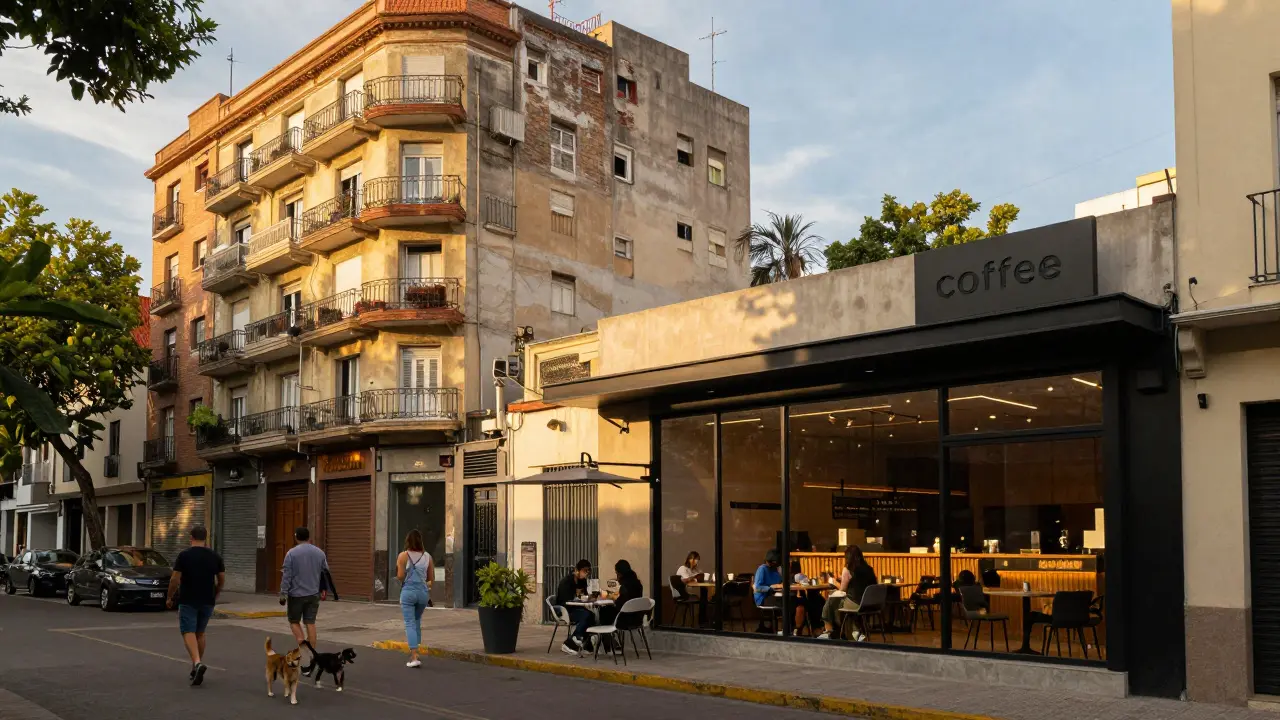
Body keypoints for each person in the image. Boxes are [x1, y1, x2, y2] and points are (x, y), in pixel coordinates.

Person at [166, 526, 225, 686]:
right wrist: (216, 593)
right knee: (200, 632)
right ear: (205, 538)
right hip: (207, 599)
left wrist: (169, 596)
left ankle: (197, 663)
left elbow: (174, 579)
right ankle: (195, 666)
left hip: (188, 599)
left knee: (188, 631)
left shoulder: (184, 556)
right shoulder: (215, 556)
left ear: (191, 537)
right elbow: (221, 579)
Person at [279, 526, 330, 671]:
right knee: (310, 623)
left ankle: (304, 651)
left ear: (296, 537)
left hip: (296, 595)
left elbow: (287, 575)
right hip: (314, 594)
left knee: (294, 621)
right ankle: (313, 654)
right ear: (309, 537)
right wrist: (323, 589)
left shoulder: (291, 554)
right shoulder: (319, 552)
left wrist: (283, 593)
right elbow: (325, 571)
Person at [817, 546, 878, 641]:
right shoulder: (869, 569)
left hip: (856, 603)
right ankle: (855, 632)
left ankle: (829, 631)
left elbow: (842, 589)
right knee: (839, 603)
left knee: (832, 600)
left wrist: (834, 582)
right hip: (870, 604)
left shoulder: (848, 569)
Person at [396, 529, 432, 669]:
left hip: (408, 592)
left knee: (409, 623)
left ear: (407, 541)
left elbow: (400, 576)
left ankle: (414, 656)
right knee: (416, 621)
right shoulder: (427, 556)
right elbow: (430, 578)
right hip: (423, 593)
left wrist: (406, 576)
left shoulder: (403, 556)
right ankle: (416, 651)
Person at [554, 559, 593, 655]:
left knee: (592, 616)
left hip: (576, 608)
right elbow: (566, 601)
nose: (586, 573)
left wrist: (591, 597)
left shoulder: (582, 581)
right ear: (576, 570)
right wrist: (579, 600)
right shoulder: (566, 582)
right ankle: (569, 643)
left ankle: (585, 643)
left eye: (588, 571)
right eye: (584, 571)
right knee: (586, 615)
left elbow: (585, 595)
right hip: (565, 610)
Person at [752, 549, 784, 633]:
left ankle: (789, 628)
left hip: (773, 596)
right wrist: (770, 588)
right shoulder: (762, 569)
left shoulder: (775, 570)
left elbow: (780, 582)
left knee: (792, 600)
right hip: (763, 598)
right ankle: (787, 629)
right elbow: (757, 588)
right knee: (787, 602)